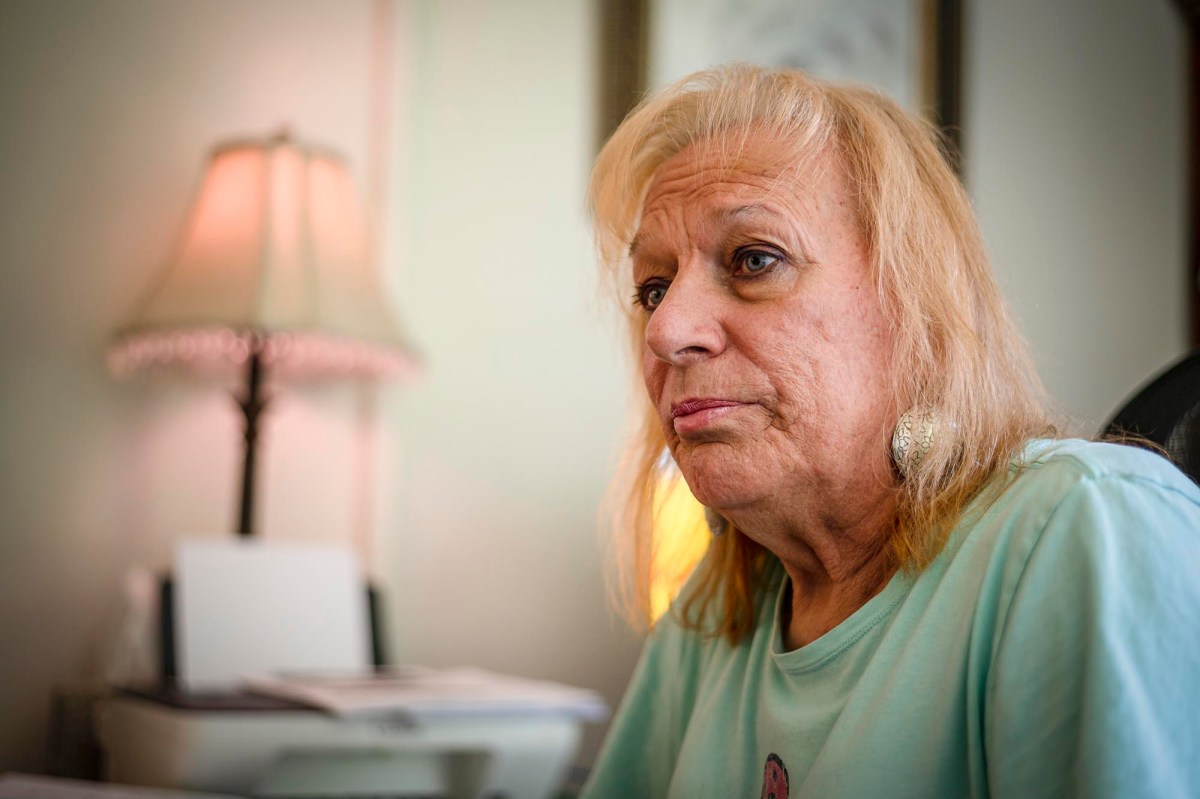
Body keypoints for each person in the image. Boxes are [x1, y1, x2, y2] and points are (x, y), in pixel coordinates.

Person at [581, 64, 1200, 798]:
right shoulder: (711, 619)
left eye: (754, 258)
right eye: (654, 288)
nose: (667, 330)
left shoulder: (1087, 530)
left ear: (917, 308)